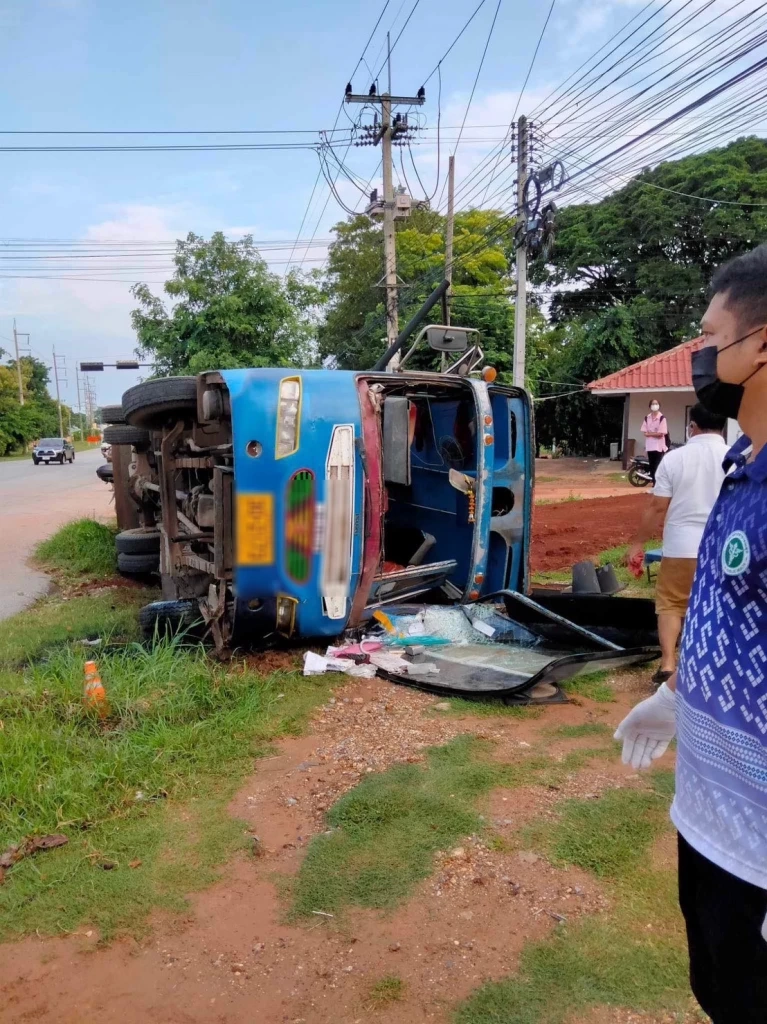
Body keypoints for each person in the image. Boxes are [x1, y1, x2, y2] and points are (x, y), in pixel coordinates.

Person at [615, 243, 767, 1023]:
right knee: (717, 995)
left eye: (712, 336)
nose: (701, 354)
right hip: (708, 821)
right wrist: (682, 697)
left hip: (757, 857)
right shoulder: (743, 467)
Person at [626, 402, 728, 684]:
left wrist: (638, 544)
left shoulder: (674, 459)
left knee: (671, 605)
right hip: (721, 550)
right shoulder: (735, 457)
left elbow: (657, 508)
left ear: (692, 426)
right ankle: (707, 666)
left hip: (681, 548)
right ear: (723, 425)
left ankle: (669, 663)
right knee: (716, 606)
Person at [640, 399, 669, 482]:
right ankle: (654, 484)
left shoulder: (662, 418)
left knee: (657, 466)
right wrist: (654, 434)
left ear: (659, 405)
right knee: (652, 466)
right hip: (650, 446)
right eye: (653, 404)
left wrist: (650, 434)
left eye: (656, 403)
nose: (654, 405)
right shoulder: (647, 418)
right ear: (650, 406)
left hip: (659, 446)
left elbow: (661, 434)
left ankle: (658, 484)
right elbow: (645, 433)